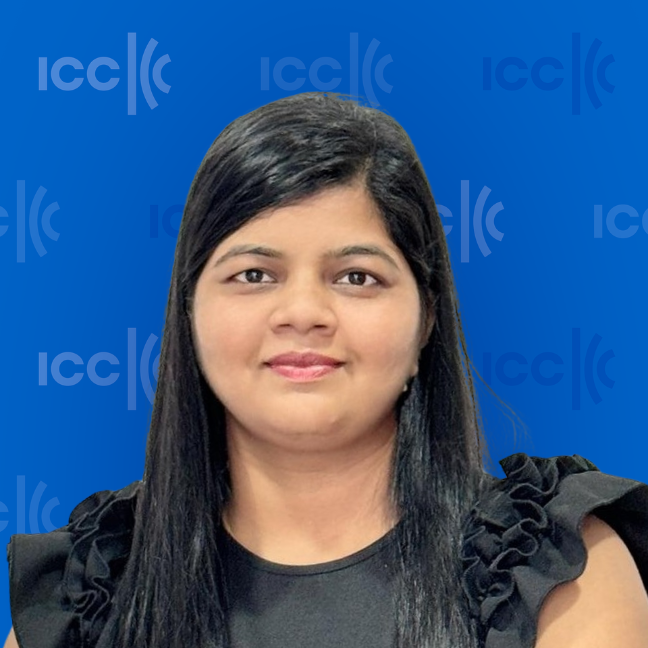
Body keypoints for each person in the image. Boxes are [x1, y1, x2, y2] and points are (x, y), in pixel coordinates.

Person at [4, 92, 648, 648]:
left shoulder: (554, 567)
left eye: (356, 277)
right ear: (190, 313)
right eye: (254, 274)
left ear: (426, 319)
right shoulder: (86, 593)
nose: (304, 312)